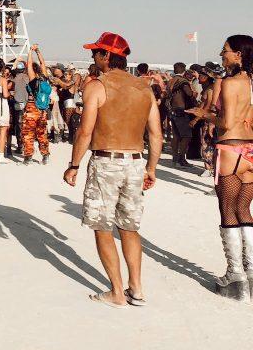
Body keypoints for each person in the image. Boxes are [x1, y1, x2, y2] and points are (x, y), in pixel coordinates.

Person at [64, 32, 162, 308]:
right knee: (129, 228)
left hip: (106, 161)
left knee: (102, 227)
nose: (92, 58)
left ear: (106, 56)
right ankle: (137, 289)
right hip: (135, 161)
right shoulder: (144, 88)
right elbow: (156, 135)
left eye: (95, 53)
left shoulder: (97, 86)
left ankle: (117, 291)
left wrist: (73, 165)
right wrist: (151, 168)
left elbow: (85, 131)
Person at [186, 35, 253, 298]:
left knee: (227, 211)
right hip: (251, 151)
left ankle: (234, 276)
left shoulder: (229, 82)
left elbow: (226, 123)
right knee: (244, 209)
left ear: (238, 54)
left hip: (230, 150)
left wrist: (205, 114)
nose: (221, 54)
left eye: (225, 51)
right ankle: (251, 272)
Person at [21, 45, 52, 165]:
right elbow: (43, 63)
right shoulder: (45, 79)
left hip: (32, 108)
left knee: (28, 133)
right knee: (42, 133)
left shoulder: (33, 80)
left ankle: (28, 157)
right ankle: (45, 155)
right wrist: (38, 51)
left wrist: (30, 52)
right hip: (43, 109)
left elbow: (29, 64)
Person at [167, 62, 198, 167]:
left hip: (172, 110)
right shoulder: (183, 81)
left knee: (175, 135)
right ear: (184, 70)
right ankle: (182, 159)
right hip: (181, 110)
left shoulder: (170, 81)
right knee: (186, 136)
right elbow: (189, 94)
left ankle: (175, 158)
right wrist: (194, 93)